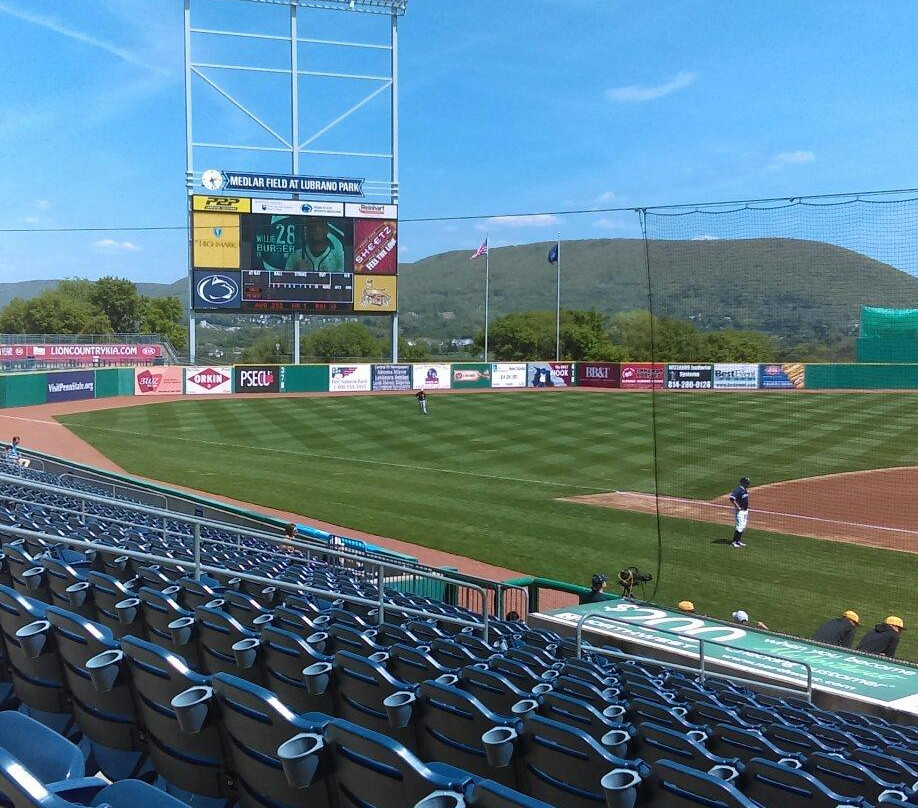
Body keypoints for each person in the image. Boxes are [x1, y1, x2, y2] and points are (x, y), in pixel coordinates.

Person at [729, 476, 751, 548]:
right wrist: (737, 507)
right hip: (740, 511)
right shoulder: (738, 490)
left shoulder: (744, 490)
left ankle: (738, 541)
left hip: (745, 511)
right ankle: (734, 542)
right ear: (743, 482)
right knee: (739, 526)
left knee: (743, 526)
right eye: (747, 483)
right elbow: (731, 498)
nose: (748, 484)